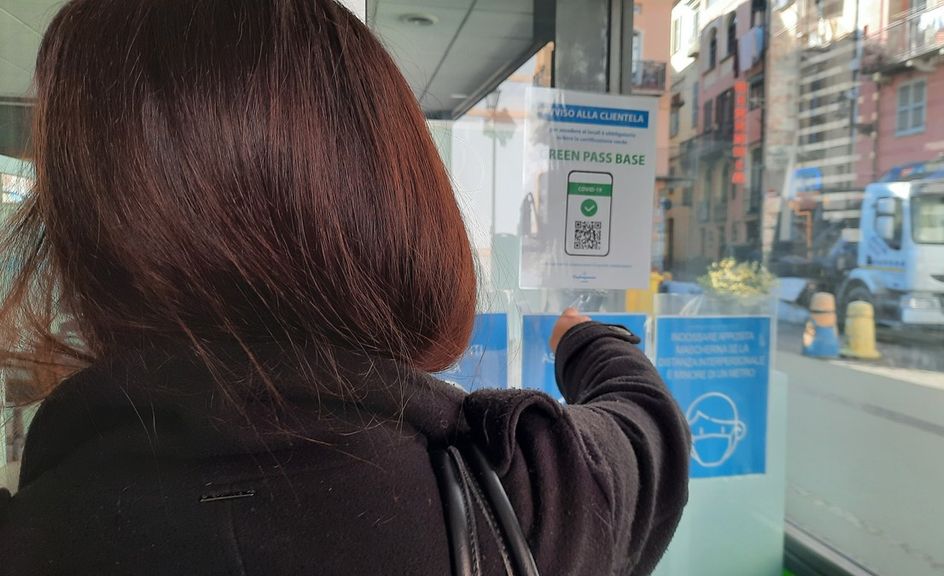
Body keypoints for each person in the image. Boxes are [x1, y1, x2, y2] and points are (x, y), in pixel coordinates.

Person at [0, 1, 690, 575]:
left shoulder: (33, 535)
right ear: (399, 212)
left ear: (92, 238)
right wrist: (586, 340)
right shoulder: (531, 502)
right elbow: (651, 428)